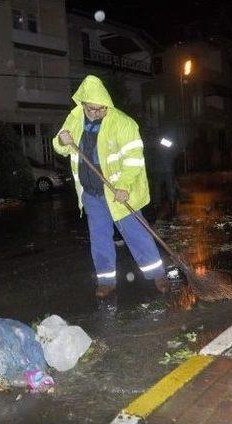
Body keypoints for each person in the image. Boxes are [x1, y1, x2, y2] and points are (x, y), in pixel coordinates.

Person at [53, 75, 169, 298]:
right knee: (99, 237)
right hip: (91, 192)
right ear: (83, 104)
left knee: (137, 234)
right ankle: (106, 281)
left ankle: (158, 275)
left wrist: (124, 186)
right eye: (92, 109)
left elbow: (134, 159)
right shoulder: (75, 118)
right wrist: (61, 141)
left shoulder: (123, 123)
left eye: (101, 109)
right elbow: (60, 146)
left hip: (119, 192)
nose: (96, 113)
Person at [149, 135, 178, 220]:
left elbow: (149, 156)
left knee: (158, 190)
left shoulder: (152, 142)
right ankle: (171, 211)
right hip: (166, 169)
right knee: (168, 189)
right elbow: (174, 150)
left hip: (158, 169)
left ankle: (156, 211)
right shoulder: (163, 141)